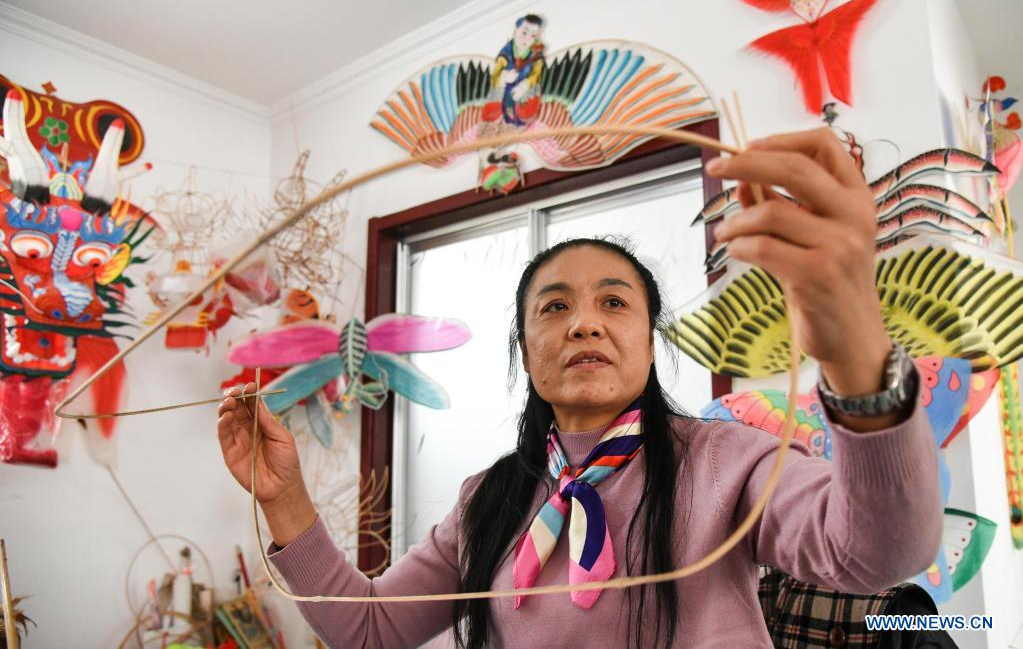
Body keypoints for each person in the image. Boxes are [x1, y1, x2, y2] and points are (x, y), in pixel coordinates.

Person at [218, 128, 943, 648]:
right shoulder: (486, 501)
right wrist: (283, 496)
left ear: (648, 343)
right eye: (555, 307)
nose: (585, 326)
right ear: (525, 353)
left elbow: (879, 553)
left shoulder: (730, 462)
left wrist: (853, 351)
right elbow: (369, 630)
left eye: (615, 303)